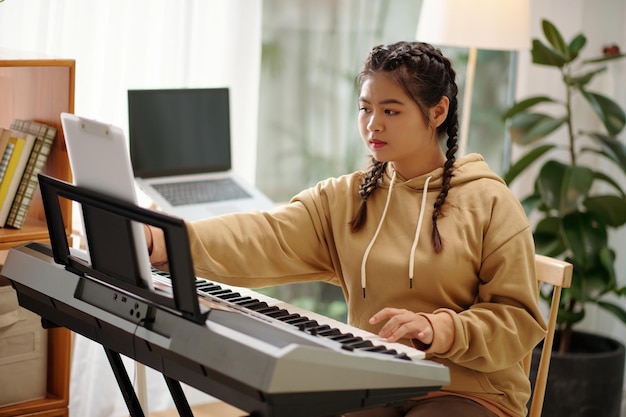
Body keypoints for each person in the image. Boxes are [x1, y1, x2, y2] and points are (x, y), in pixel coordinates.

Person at [145, 41, 546, 417]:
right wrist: (165, 240)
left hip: (469, 390)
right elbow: (266, 233)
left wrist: (438, 328)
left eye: (391, 111)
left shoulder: (489, 202)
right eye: (365, 108)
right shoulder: (350, 198)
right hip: (377, 378)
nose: (373, 125)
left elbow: (518, 318)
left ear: (437, 112)